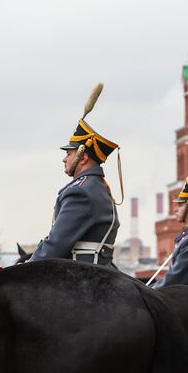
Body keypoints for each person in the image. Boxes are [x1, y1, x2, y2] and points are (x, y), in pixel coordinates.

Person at [32, 111, 120, 267]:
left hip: (81, 279)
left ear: (83, 158)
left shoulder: (81, 192)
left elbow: (55, 245)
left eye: (68, 153)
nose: (64, 159)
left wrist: (26, 267)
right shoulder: (97, 187)